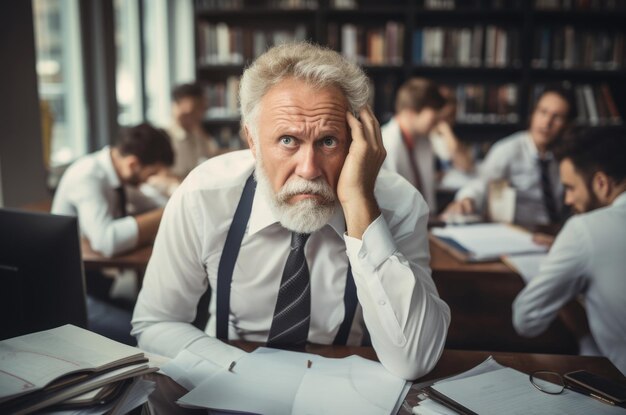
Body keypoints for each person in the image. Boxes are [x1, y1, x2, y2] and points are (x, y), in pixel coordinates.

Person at [132, 42, 450, 381]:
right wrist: (243, 371)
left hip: (340, 388)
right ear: (252, 141)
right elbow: (156, 322)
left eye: (328, 141)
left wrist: (360, 203)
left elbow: (415, 359)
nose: (309, 169)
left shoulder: (399, 206)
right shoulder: (204, 196)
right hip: (222, 378)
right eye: (287, 140)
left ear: (358, 141)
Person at [513, 127, 626, 375]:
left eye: (570, 187)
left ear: (601, 183)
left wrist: (567, 257)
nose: (567, 199)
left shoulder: (583, 230)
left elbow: (526, 319)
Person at [52, 123, 174, 343]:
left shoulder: (119, 177)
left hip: (98, 283)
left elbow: (153, 204)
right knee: (144, 335)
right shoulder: (87, 176)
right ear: (133, 163)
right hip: (70, 294)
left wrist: (175, 192)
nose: (150, 181)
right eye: (152, 174)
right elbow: (107, 240)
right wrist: (171, 209)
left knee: (165, 322)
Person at [444, 85, 577, 225]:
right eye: (542, 112)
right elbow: (481, 183)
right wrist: (466, 199)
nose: (547, 122)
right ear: (533, 113)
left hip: (556, 230)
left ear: (567, 125)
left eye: (557, 117)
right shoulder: (508, 150)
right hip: (519, 230)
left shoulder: (567, 156)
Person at [381, 77, 446, 212]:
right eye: (433, 117)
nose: (437, 123)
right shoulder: (385, 143)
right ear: (410, 113)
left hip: (424, 222)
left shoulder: (423, 139)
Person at [148, 82, 222, 196]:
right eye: (193, 110)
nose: (199, 115)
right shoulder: (162, 136)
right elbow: (156, 177)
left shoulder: (196, 133)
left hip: (191, 191)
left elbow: (213, 154)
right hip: (171, 195)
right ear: (175, 106)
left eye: (202, 109)